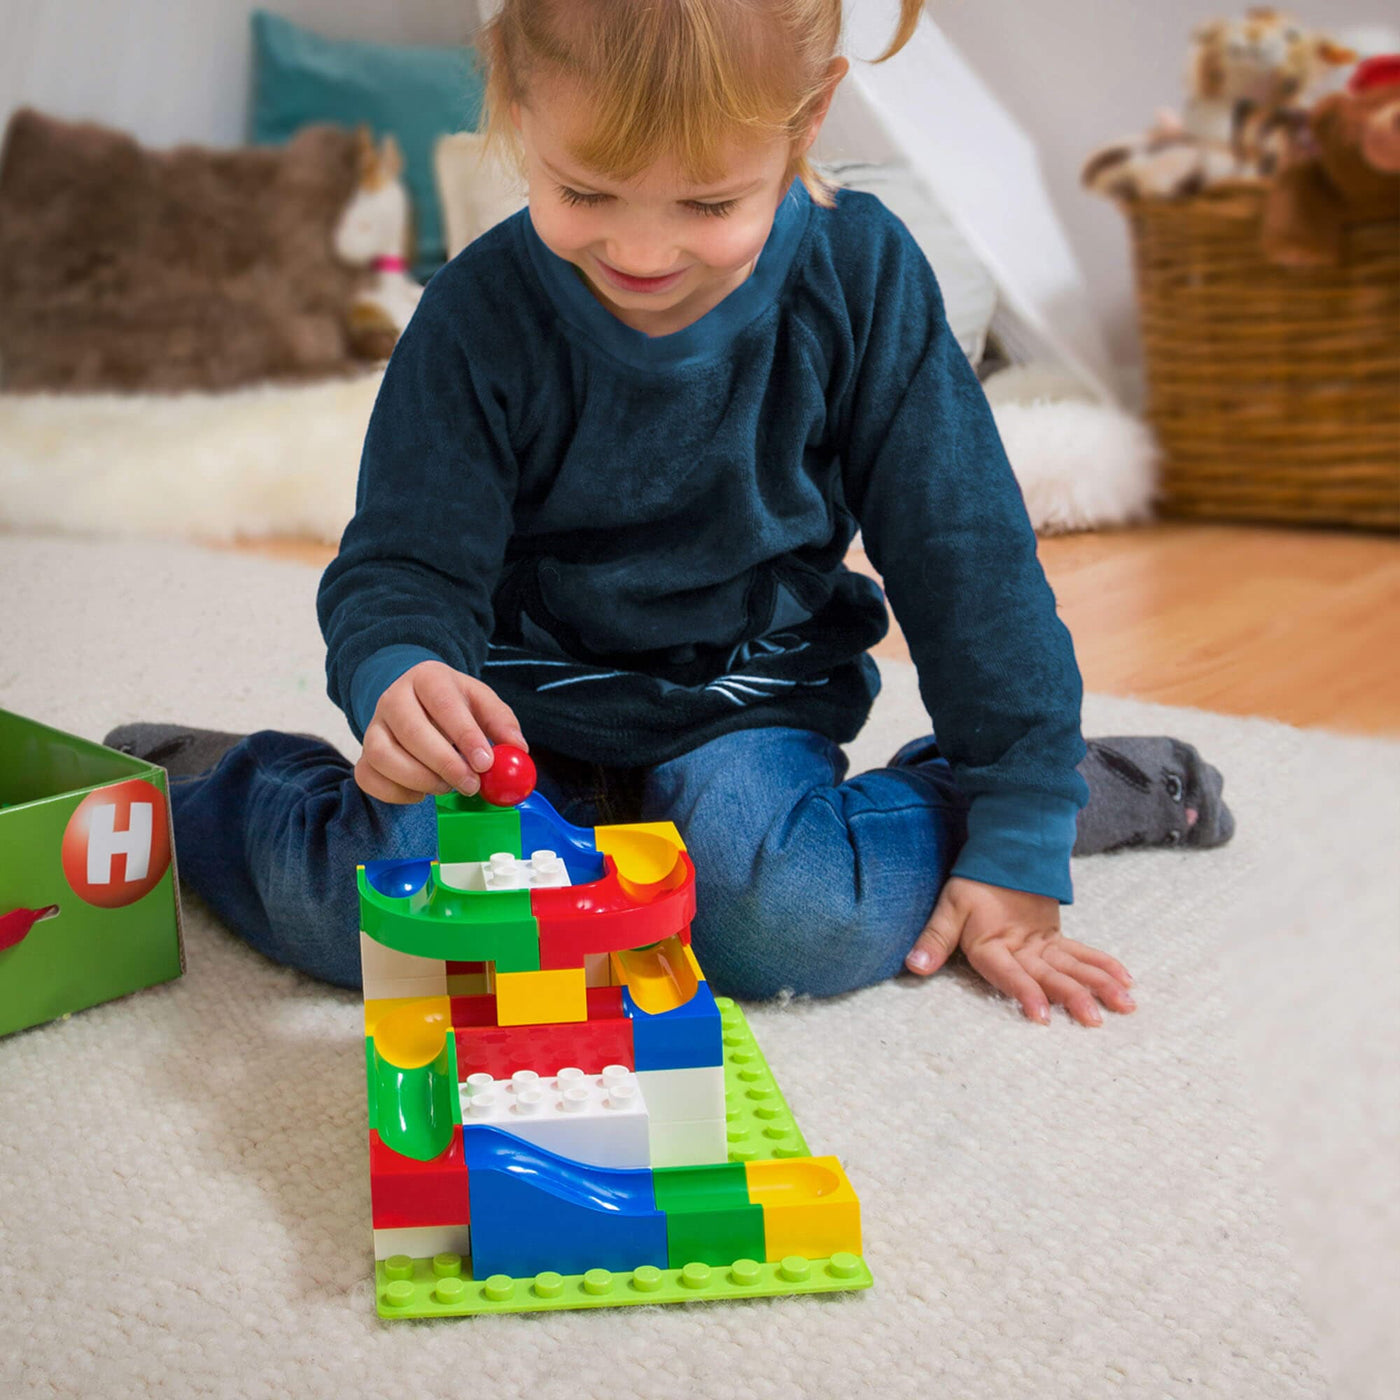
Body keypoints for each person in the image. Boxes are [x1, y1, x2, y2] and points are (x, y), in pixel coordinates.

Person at [107, 0, 1232, 1027]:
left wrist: (1019, 833)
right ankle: (204, 781)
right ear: (512, 102)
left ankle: (1073, 788)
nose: (640, 254)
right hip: (510, 724)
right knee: (395, 926)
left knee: (785, 922)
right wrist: (398, 670)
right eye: (583, 191)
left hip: (739, 711)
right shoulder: (475, 315)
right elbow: (402, 566)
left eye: (709, 202)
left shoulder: (862, 278)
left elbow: (968, 568)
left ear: (808, 119)